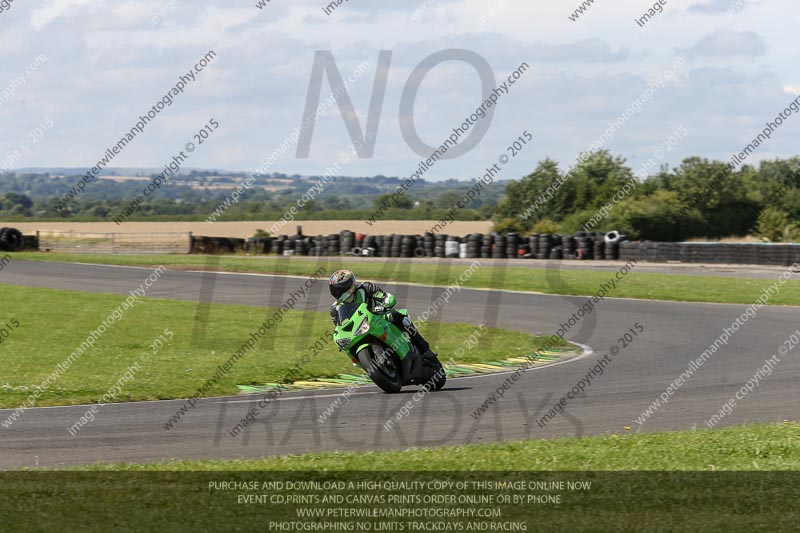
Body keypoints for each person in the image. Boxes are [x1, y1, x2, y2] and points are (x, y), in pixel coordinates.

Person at [328, 269, 435, 357]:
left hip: (379, 317)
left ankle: (425, 349)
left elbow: (386, 297)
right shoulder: (335, 309)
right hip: (358, 328)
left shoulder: (365, 287)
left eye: (341, 288)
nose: (338, 292)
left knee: (402, 319)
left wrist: (383, 305)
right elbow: (340, 328)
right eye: (336, 289)